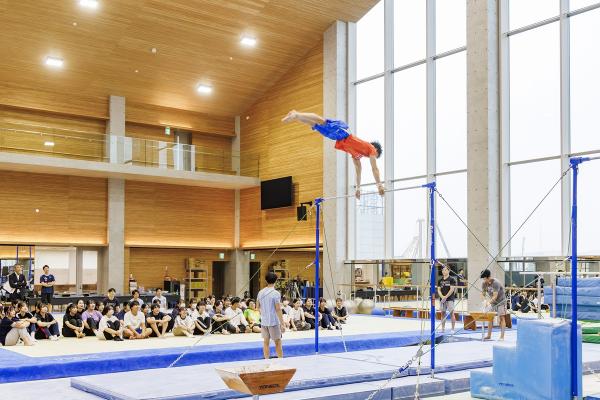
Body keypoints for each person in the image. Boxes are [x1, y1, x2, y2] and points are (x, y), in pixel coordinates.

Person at [282, 110, 384, 199]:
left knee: (316, 126)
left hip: (337, 138)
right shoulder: (371, 148)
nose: (373, 157)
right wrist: (379, 185)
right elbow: (374, 169)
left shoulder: (357, 155)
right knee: (322, 121)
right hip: (344, 132)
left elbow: (358, 172)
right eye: (376, 155)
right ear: (376, 149)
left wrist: (358, 188)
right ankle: (296, 114)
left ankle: (297, 117)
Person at [257, 272, 285, 359]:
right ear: (276, 281)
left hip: (264, 321)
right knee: (278, 342)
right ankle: (281, 360)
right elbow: (278, 309)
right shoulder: (276, 293)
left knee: (266, 342)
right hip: (273, 321)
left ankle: (266, 360)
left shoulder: (260, 292)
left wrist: (264, 314)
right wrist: (282, 323)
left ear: (266, 280)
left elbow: (257, 307)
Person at [481, 269, 506, 341]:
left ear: (488, 277)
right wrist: (484, 301)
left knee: (501, 318)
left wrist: (489, 302)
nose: (483, 280)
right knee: (490, 318)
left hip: (501, 301)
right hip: (493, 302)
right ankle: (489, 335)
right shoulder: (484, 283)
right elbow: (483, 294)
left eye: (484, 278)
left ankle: (502, 336)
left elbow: (495, 296)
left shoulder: (496, 283)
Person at [437, 265, 457, 333]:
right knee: (443, 313)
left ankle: (453, 329)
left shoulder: (452, 279)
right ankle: (443, 329)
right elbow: (439, 290)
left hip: (450, 299)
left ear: (449, 271)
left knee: (451, 313)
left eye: (445, 270)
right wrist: (442, 296)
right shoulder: (440, 280)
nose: (443, 271)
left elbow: (452, 289)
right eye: (443, 270)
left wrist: (446, 297)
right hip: (442, 299)